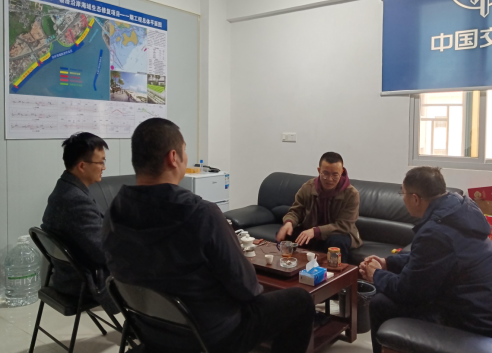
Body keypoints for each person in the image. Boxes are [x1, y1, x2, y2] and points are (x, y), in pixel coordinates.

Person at [103, 118, 314, 353]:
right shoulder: (201, 214)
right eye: (185, 150)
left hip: (150, 329)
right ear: (173, 157)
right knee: (300, 301)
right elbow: (247, 287)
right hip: (212, 335)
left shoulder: (114, 211)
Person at [360, 167, 492, 353]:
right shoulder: (460, 208)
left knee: (380, 303)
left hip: (478, 323)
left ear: (415, 199)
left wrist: (376, 275)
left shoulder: (435, 232)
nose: (402, 199)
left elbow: (407, 292)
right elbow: (429, 259)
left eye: (403, 193)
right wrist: (389, 263)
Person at [41, 132, 117, 314]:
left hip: (67, 276)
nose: (104, 167)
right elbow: (104, 253)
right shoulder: (75, 200)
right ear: (82, 166)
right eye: (101, 162)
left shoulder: (66, 187)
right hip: (84, 283)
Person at [275, 152, 361, 262]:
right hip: (311, 230)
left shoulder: (351, 194)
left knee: (336, 242)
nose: (330, 179)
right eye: (325, 173)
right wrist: (289, 223)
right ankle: (292, 268)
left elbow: (344, 225)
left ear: (342, 172)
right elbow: (296, 211)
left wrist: (316, 231)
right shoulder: (308, 188)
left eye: (335, 175)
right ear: (319, 170)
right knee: (287, 235)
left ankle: (335, 272)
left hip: (339, 233)